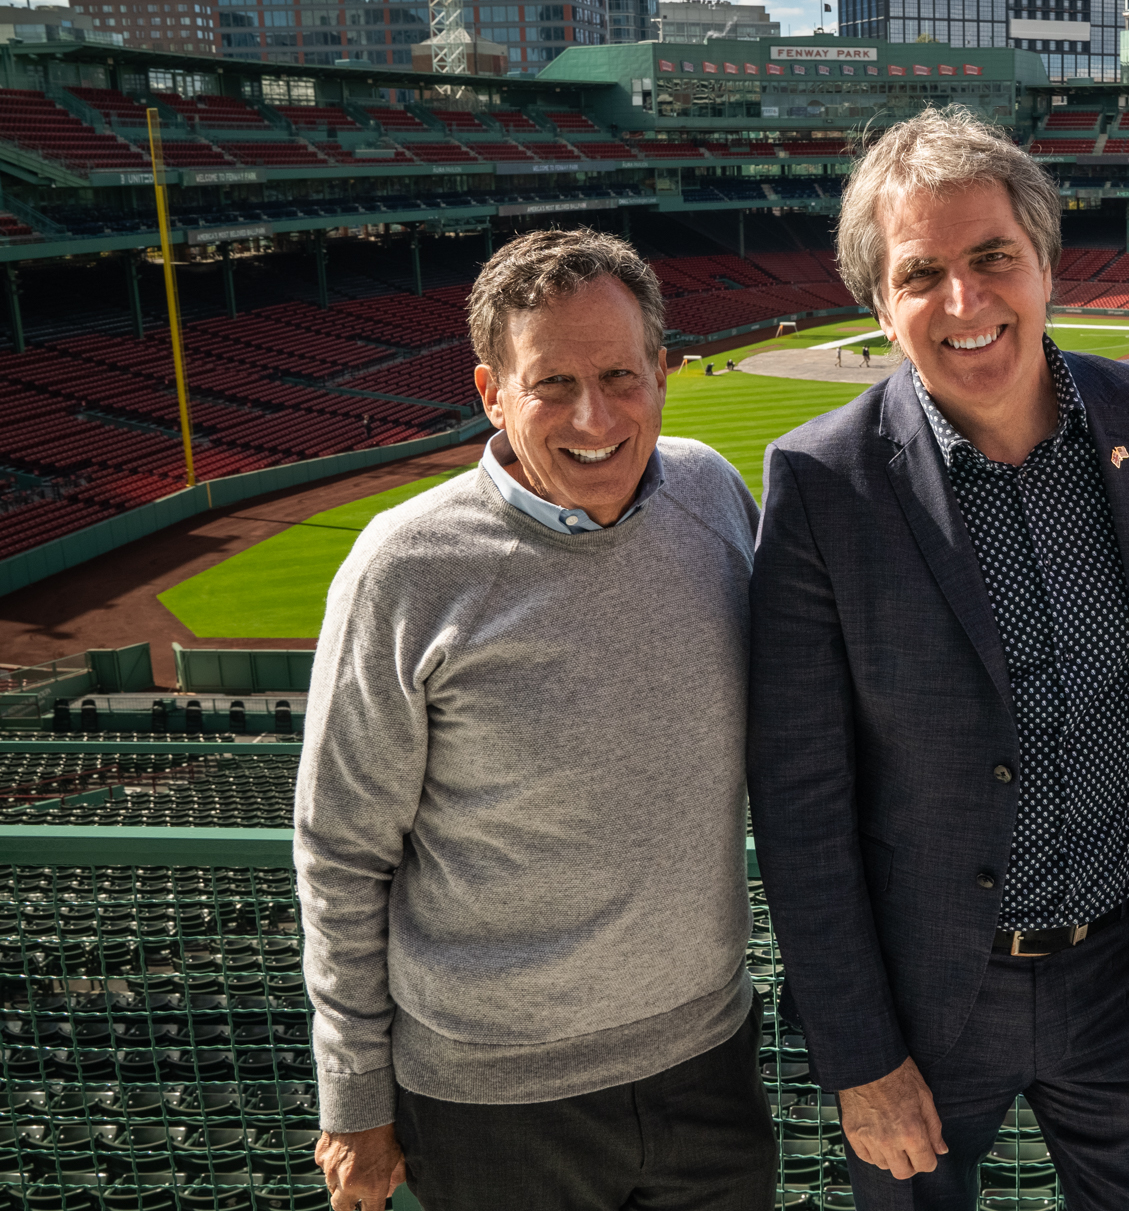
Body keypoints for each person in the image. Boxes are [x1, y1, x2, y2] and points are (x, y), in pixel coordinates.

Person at [748, 106, 1129, 1211]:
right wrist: (859, 1058)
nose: (963, 301)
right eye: (919, 273)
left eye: (991, 258)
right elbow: (799, 800)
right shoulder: (819, 483)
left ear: (1042, 262)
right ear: (879, 302)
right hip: (924, 997)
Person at [296, 228, 773, 1211]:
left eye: (618, 375)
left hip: (708, 1064)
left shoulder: (713, 495)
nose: (592, 416)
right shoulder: (403, 568)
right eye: (551, 383)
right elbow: (340, 852)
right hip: (492, 1102)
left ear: (661, 374)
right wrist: (353, 1098)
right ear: (491, 393)